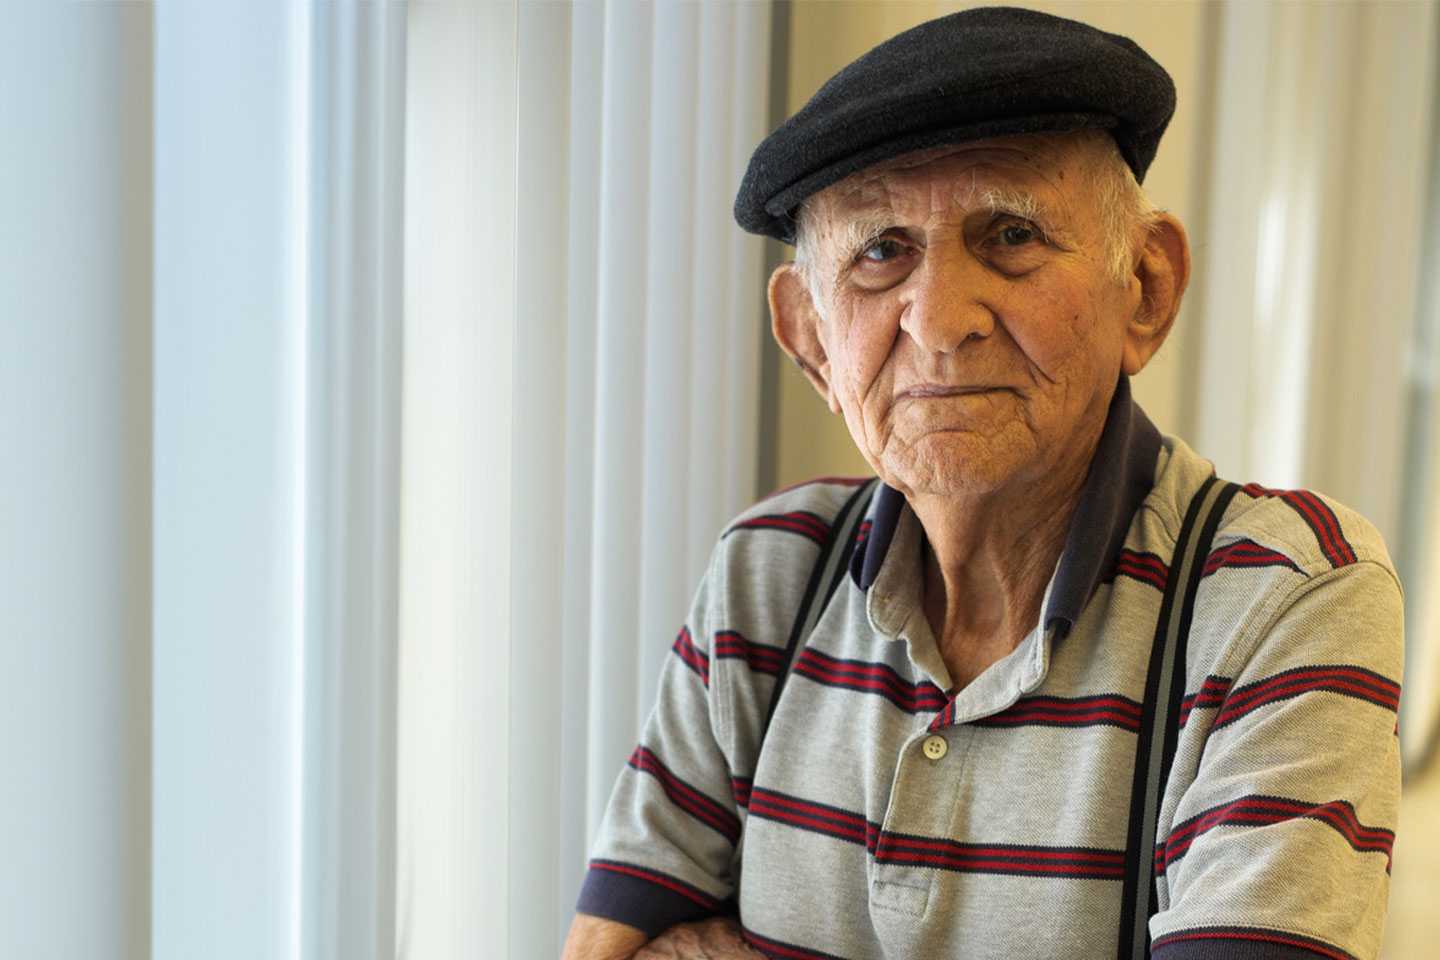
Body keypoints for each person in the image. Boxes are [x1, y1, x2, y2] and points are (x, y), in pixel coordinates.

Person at [562, 8, 1402, 960]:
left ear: (1145, 288)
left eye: (1010, 233)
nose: (940, 320)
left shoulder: (1286, 598)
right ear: (811, 341)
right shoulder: (770, 572)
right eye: (881, 251)